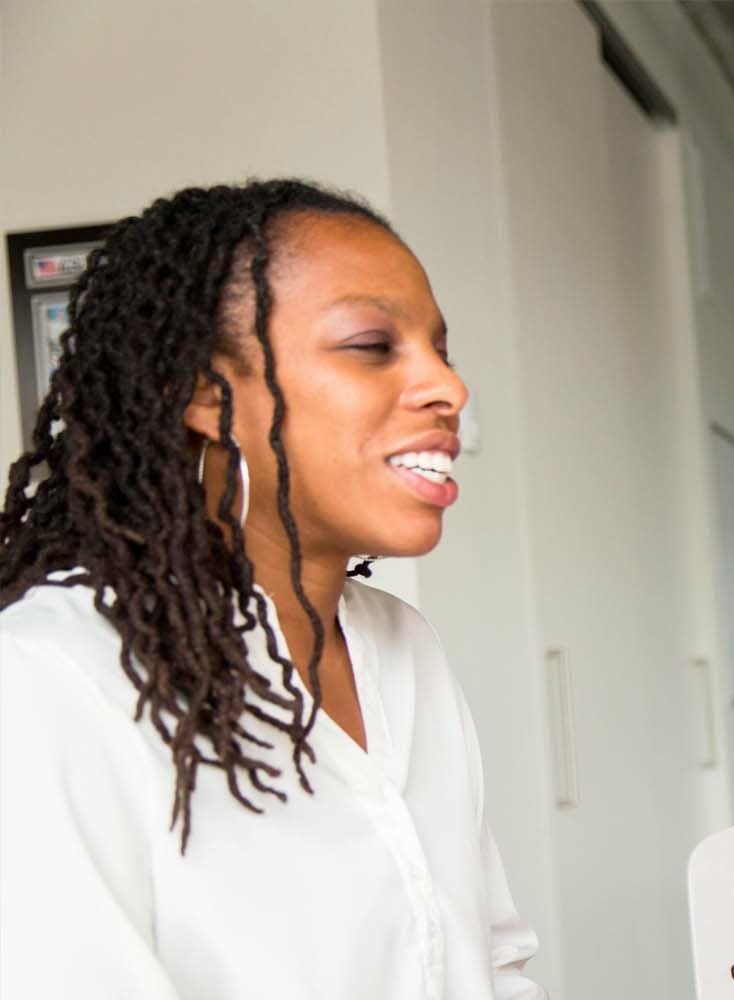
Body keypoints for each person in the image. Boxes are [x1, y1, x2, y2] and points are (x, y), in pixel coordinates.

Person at [0, 180, 543, 999]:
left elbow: (493, 965)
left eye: (442, 350)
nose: (448, 390)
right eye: (372, 345)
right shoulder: (51, 683)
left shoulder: (404, 649)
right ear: (208, 397)